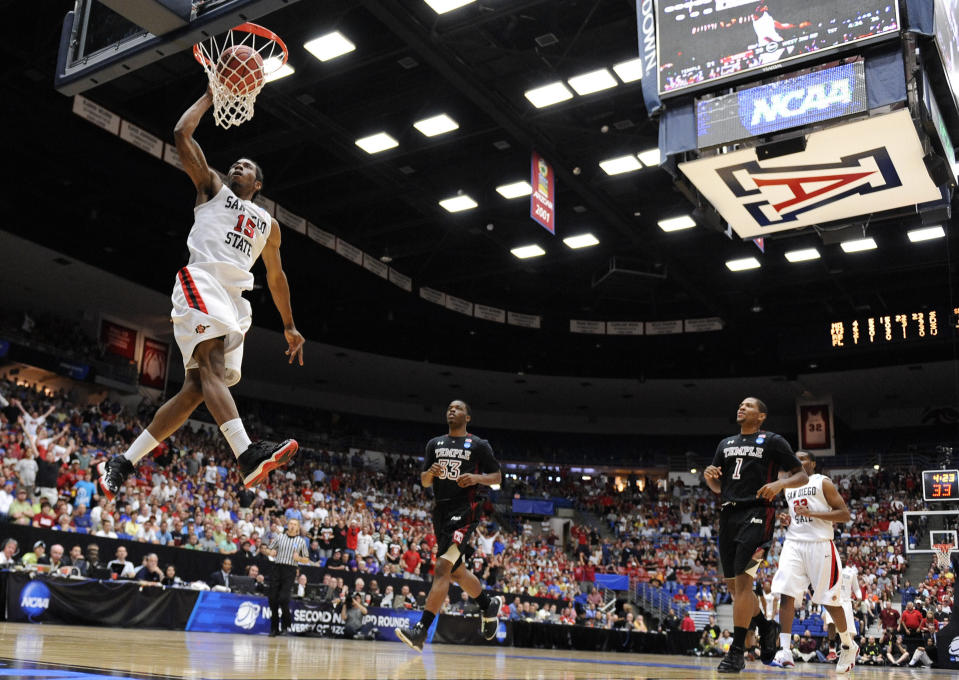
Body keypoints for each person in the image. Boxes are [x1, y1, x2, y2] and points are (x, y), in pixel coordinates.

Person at [97, 88, 306, 499]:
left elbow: (277, 278)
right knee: (209, 364)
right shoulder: (212, 188)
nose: (237, 166)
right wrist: (212, 94)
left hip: (234, 301)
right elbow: (181, 134)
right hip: (201, 281)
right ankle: (246, 453)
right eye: (235, 162)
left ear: (258, 183)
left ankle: (124, 461)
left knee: (196, 389)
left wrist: (290, 326)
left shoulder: (269, 223)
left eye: (246, 166)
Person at [703, 397, 808, 673]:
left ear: (761, 416)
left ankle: (737, 652)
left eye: (748, 406)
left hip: (759, 515)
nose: (741, 407)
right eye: (739, 404)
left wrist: (780, 483)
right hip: (728, 517)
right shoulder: (724, 444)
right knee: (734, 588)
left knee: (743, 583)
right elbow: (716, 486)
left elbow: (801, 476)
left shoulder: (772, 441)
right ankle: (763, 625)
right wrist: (709, 476)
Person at [395, 400, 503, 652]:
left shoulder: (478, 445)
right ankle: (488, 605)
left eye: (457, 408)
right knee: (456, 572)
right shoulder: (434, 443)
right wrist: (430, 473)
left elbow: (497, 477)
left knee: (442, 568)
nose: (451, 410)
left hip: (465, 510)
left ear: (467, 417)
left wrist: (476, 478)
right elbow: (423, 481)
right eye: (449, 408)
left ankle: (421, 630)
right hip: (441, 511)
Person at [770, 450, 858, 672]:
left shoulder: (822, 483)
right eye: (795, 459)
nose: (798, 462)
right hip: (793, 543)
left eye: (803, 459)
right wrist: (787, 520)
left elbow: (844, 515)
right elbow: (797, 517)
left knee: (829, 601)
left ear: (813, 463)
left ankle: (848, 644)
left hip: (820, 544)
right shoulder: (788, 486)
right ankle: (785, 650)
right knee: (786, 592)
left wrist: (814, 514)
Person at [260, 518, 309, 636]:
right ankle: (274, 628)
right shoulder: (280, 537)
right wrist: (269, 552)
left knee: (283, 599)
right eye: (291, 524)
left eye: (295, 524)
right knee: (272, 599)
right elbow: (266, 549)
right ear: (287, 525)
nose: (292, 526)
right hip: (277, 568)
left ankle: (286, 624)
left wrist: (299, 559)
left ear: (297, 528)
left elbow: (306, 559)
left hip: (290, 570)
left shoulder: (301, 541)